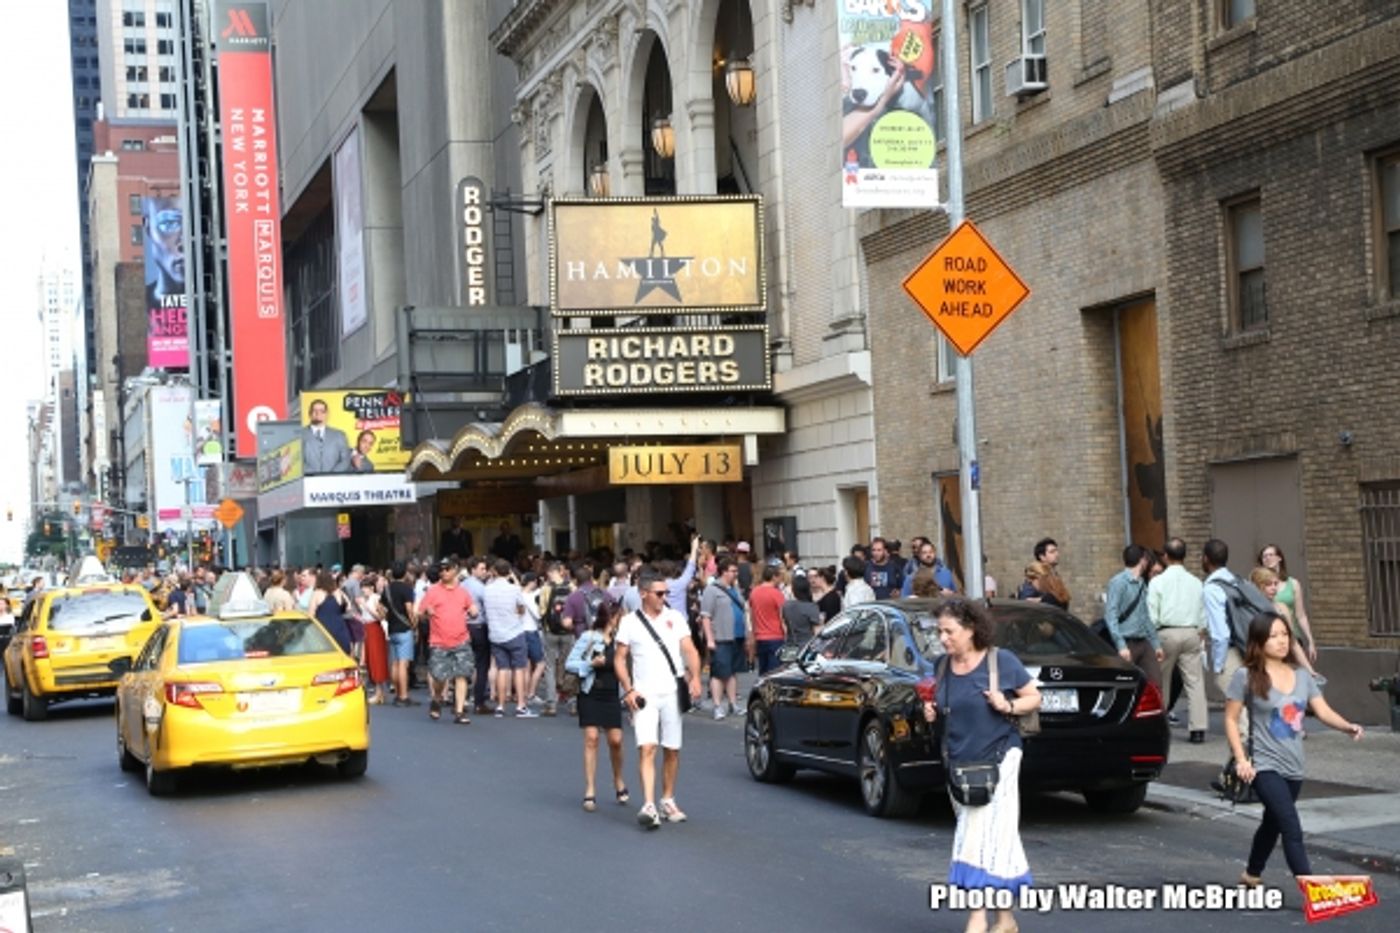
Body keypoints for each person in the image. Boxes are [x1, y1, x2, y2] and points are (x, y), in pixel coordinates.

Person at [920, 599, 1040, 933]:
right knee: (997, 839)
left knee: (973, 836)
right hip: (959, 762)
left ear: (971, 629)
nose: (943, 638)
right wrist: (933, 713)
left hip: (1000, 758)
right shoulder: (942, 666)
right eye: (940, 631)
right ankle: (1005, 919)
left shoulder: (1000, 661)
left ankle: (976, 917)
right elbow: (947, 706)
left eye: (950, 631)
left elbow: (1033, 696)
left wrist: (1008, 704)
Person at [1225, 611, 1363, 887]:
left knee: (1272, 822)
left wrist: (1347, 726)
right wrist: (1241, 759)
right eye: (1273, 636)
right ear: (1259, 641)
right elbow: (1230, 718)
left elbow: (1322, 711)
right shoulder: (1246, 676)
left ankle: (1251, 874)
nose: (1281, 641)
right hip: (1263, 766)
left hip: (1294, 766)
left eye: (1285, 634)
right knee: (1290, 824)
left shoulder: (1302, 676)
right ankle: (1311, 885)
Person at [615, 569, 703, 830]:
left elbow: (689, 648)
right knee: (648, 747)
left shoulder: (675, 617)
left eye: (667, 593)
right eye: (660, 593)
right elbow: (620, 658)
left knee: (672, 749)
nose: (665, 597)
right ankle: (649, 804)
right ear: (643, 594)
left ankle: (668, 798)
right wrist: (629, 689)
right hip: (645, 694)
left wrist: (696, 676)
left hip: (672, 692)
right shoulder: (630, 622)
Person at [566, 599, 629, 812]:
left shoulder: (623, 640)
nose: (623, 619)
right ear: (611, 617)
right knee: (591, 738)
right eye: (620, 615)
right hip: (591, 692)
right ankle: (590, 789)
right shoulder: (589, 637)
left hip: (612, 694)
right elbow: (570, 663)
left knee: (616, 740)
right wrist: (590, 664)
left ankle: (618, 779)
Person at [1148, 538, 1207, 743]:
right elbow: (1202, 613)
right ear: (1185, 555)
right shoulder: (1196, 582)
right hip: (1191, 632)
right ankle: (1198, 729)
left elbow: (1152, 614)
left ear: (1165, 556)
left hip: (1166, 633)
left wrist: (1153, 636)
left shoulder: (1157, 582)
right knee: (1195, 682)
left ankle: (1160, 724)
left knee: (1161, 680)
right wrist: (1200, 631)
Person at [418, 561, 477, 724]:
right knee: (439, 677)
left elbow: (472, 608)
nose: (443, 572)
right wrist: (426, 613)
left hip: (461, 640)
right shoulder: (432, 592)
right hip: (439, 641)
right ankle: (437, 698)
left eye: (447, 569)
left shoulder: (463, 592)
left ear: (455, 571)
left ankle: (459, 711)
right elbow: (420, 613)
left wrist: (473, 611)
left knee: (462, 675)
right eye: (441, 570)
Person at [1103, 545, 1164, 689]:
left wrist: (1156, 644)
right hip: (1127, 642)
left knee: (1155, 684)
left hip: (1143, 641)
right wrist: (1121, 645)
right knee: (1126, 686)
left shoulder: (1142, 584)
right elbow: (1110, 616)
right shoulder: (1118, 582)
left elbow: (1145, 616)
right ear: (1143, 560)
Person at [699, 558, 750, 720]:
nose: (736, 574)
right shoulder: (711, 590)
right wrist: (710, 639)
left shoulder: (735, 588)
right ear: (723, 571)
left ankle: (733, 703)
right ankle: (717, 705)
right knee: (719, 673)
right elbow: (706, 616)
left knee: (732, 672)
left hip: (737, 636)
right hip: (721, 636)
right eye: (733, 571)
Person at [483, 559, 534, 719]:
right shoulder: (514, 589)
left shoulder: (487, 589)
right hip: (514, 632)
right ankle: (521, 705)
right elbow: (521, 608)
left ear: (494, 571)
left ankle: (500, 705)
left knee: (502, 669)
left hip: (496, 634)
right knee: (519, 668)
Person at [1250, 567, 1320, 678]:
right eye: (1268, 584)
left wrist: (1309, 669)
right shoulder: (1250, 610)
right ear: (1259, 586)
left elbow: (1293, 641)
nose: (1273, 588)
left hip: (1283, 660)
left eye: (1275, 584)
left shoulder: (1282, 608)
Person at [1257, 544, 1318, 670]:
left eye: (1271, 555)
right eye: (1264, 556)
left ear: (1279, 558)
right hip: (1271, 638)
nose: (1267, 558)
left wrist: (1310, 641)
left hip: (1292, 636)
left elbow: (1300, 615)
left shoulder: (1293, 584)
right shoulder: (1260, 586)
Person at [383, 562, 419, 706]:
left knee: (395, 663)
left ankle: (397, 693)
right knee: (404, 664)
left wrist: (387, 618)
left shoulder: (386, 590)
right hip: (404, 629)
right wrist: (414, 624)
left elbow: (381, 608)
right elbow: (409, 609)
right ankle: (404, 695)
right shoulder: (406, 589)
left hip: (392, 628)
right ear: (404, 573)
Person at [463, 557, 492, 713]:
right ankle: (479, 701)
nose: (484, 571)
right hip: (479, 626)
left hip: (464, 626)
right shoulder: (480, 588)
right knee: (482, 665)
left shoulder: (462, 585)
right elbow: (486, 607)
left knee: (464, 663)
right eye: (481, 568)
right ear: (472, 569)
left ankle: (460, 700)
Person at [519, 572, 550, 713]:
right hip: (531, 631)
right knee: (540, 663)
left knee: (525, 665)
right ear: (532, 582)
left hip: (519, 631)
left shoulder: (518, 594)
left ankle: (524, 694)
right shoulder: (528, 598)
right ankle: (531, 692)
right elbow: (538, 614)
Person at [748, 565, 787, 674]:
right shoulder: (777, 594)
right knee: (775, 671)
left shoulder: (754, 592)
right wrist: (787, 635)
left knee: (763, 670)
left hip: (760, 636)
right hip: (776, 636)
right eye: (780, 577)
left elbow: (752, 616)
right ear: (774, 577)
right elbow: (782, 617)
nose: (781, 580)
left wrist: (753, 634)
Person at [361, 574, 390, 705]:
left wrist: (366, 607)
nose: (363, 590)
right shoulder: (369, 599)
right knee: (372, 660)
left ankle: (379, 693)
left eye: (365, 588)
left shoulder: (375, 598)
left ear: (371, 588)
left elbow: (380, 616)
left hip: (374, 629)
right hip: (368, 628)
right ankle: (379, 693)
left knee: (376, 659)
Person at [302, 398, 352, 474]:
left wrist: (330, 476)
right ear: (309, 413)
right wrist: (313, 475)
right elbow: (296, 461)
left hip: (334, 482)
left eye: (322, 411)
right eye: (315, 410)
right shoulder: (299, 435)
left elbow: (345, 460)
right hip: (307, 481)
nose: (318, 413)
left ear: (326, 414)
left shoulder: (339, 435)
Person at [310, 571, 353, 655]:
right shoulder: (339, 592)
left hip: (323, 628)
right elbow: (349, 607)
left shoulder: (317, 593)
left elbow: (311, 614)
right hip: (339, 627)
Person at [781, 573, 822, 646]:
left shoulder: (786, 606)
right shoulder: (812, 607)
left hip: (790, 644)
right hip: (807, 645)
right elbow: (816, 630)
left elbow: (784, 626)